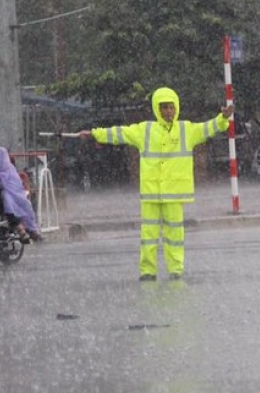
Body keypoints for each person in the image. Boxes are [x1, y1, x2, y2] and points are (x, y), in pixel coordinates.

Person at [79, 86, 234, 281]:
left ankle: (175, 270)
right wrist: (95, 134)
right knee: (148, 235)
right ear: (156, 109)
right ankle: (147, 271)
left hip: (174, 193)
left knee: (175, 235)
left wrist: (223, 119)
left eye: (171, 107)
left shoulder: (186, 129)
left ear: (176, 108)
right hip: (152, 192)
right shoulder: (145, 130)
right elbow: (120, 133)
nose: (168, 112)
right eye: (164, 108)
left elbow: (208, 128)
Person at [0, 123, 41, 243]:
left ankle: (24, 228)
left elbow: (3, 171)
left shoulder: (1, 152)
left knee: (9, 199)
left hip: (2, 185)